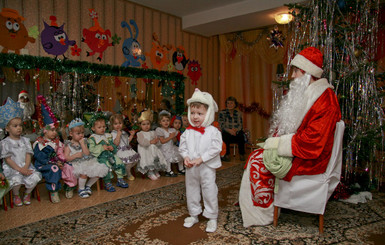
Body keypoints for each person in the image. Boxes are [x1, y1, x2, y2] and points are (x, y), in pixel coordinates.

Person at [239, 46, 341, 227]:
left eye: (295, 71)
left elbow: (313, 141)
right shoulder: (309, 94)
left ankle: (263, 213)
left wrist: (278, 143)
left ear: (308, 73)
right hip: (300, 151)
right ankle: (262, 206)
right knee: (258, 155)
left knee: (257, 161)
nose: (292, 76)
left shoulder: (325, 99)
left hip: (311, 159)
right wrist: (274, 141)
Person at [179, 88, 223, 233]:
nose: (195, 117)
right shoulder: (187, 132)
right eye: (192, 113)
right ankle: (194, 214)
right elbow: (183, 146)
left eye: (200, 114)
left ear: (208, 114)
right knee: (191, 189)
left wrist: (201, 159)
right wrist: (186, 157)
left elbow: (216, 148)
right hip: (191, 167)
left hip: (207, 167)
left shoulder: (213, 131)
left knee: (209, 190)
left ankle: (212, 217)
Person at [0, 98, 42, 206]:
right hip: (13, 168)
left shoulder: (26, 140)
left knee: (35, 177)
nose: (19, 128)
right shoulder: (5, 143)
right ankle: (16, 195)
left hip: (26, 166)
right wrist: (20, 170)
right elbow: (8, 159)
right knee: (16, 180)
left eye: (20, 125)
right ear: (7, 129)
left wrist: (26, 167)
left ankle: (27, 193)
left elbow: (28, 155)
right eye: (15, 126)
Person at [64, 118, 109, 198]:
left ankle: (88, 186)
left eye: (82, 133)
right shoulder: (69, 145)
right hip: (76, 163)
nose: (81, 135)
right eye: (78, 133)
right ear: (71, 134)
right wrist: (75, 155)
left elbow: (87, 153)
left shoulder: (84, 141)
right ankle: (81, 189)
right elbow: (66, 158)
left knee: (99, 171)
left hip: (87, 161)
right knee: (83, 172)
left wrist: (83, 145)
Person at [88, 113, 128, 192]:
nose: (102, 129)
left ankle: (120, 179)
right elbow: (91, 150)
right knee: (106, 166)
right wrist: (101, 147)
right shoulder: (92, 138)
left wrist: (112, 147)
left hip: (110, 154)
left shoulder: (108, 135)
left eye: (103, 127)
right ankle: (107, 182)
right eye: (99, 127)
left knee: (118, 161)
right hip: (101, 157)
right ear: (93, 128)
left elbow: (113, 145)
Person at [136, 109, 168, 180]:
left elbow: (157, 141)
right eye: (144, 124)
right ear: (140, 125)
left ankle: (155, 170)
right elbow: (142, 142)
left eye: (148, 124)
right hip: (145, 150)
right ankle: (150, 171)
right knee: (149, 160)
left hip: (153, 149)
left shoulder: (153, 132)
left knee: (155, 158)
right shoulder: (139, 134)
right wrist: (151, 142)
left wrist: (157, 141)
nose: (146, 126)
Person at [110, 114, 140, 181]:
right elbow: (116, 143)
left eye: (120, 123)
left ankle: (126, 169)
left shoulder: (124, 132)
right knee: (129, 163)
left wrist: (131, 136)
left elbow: (127, 141)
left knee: (136, 160)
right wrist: (118, 135)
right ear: (112, 125)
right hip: (120, 151)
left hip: (127, 149)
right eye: (115, 124)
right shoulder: (113, 133)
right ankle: (128, 174)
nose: (118, 125)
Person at [218, 96, 246, 161]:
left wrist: (235, 130)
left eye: (231, 103)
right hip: (227, 131)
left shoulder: (238, 113)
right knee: (224, 136)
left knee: (241, 135)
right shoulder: (222, 113)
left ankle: (242, 154)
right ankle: (226, 155)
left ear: (235, 104)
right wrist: (229, 130)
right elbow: (221, 124)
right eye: (228, 103)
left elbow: (240, 125)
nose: (229, 105)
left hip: (236, 131)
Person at [156, 111, 183, 176]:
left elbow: (175, 141)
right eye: (163, 121)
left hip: (171, 146)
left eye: (167, 120)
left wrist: (173, 137)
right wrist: (170, 137)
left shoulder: (172, 130)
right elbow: (162, 141)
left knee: (180, 153)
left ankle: (181, 169)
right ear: (160, 122)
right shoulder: (159, 130)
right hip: (164, 147)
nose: (166, 122)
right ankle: (168, 170)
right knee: (168, 156)